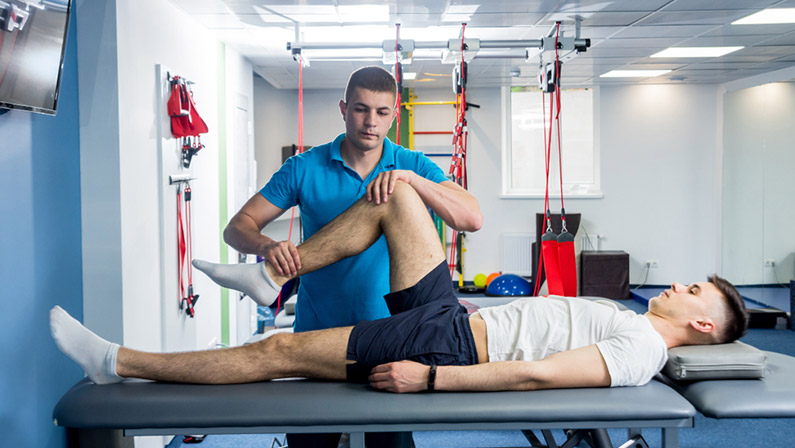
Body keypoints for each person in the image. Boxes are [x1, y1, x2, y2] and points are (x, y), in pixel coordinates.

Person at [52, 181, 749, 398]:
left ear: (703, 328)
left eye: (694, 293)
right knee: (397, 198)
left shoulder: (636, 348)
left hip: (443, 343)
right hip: (456, 317)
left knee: (277, 355)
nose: (680, 286)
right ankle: (269, 275)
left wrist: (432, 379)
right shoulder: (628, 319)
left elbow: (535, 375)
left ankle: (118, 361)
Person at [210, 65, 481, 447]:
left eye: (382, 112)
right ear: (343, 108)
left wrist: (409, 180)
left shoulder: (413, 164)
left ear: (395, 113)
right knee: (311, 443)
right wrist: (267, 247)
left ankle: (267, 282)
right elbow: (237, 227)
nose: (371, 122)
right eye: (360, 109)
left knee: (390, 445)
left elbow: (471, 217)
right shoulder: (304, 167)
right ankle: (267, 277)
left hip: (390, 338)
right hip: (317, 333)